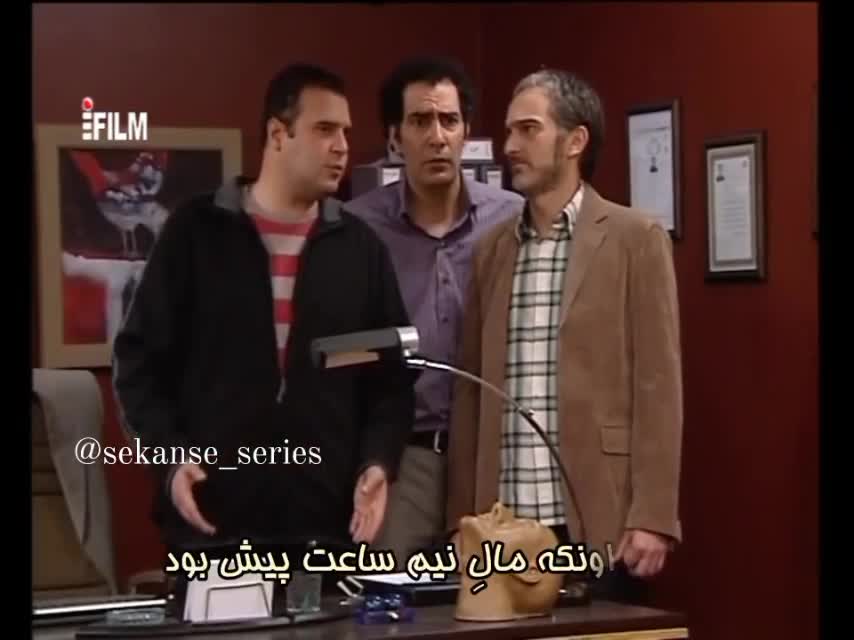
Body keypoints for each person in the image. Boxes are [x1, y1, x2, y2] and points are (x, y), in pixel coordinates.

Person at [112, 63, 416, 557]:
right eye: (324, 129)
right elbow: (138, 366)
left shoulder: (361, 250)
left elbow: (390, 382)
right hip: (213, 525)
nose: (341, 146)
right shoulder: (195, 233)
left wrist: (378, 462)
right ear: (278, 134)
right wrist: (170, 460)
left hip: (327, 528)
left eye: (345, 131)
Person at [446, 69, 683, 604]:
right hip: (502, 523)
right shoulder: (490, 251)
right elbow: (469, 393)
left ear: (575, 140)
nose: (511, 146)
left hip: (599, 517)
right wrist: (460, 517)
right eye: (509, 131)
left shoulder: (635, 239)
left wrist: (653, 515)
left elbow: (659, 387)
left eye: (528, 129)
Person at [345, 56, 524, 567]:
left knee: (495, 593)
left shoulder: (511, 217)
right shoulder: (359, 228)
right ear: (395, 137)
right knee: (387, 590)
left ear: (466, 132)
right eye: (421, 121)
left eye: (449, 121)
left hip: (493, 454)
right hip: (404, 457)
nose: (437, 137)